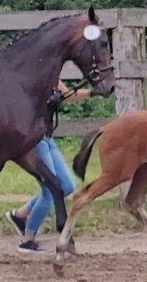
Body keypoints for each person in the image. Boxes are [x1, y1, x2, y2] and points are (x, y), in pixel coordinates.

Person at [6, 80, 92, 253]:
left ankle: (20, 215)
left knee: (67, 185)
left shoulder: (52, 76)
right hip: (34, 139)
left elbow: (69, 95)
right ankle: (27, 240)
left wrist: (93, 92)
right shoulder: (31, 76)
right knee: (49, 190)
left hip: (48, 137)